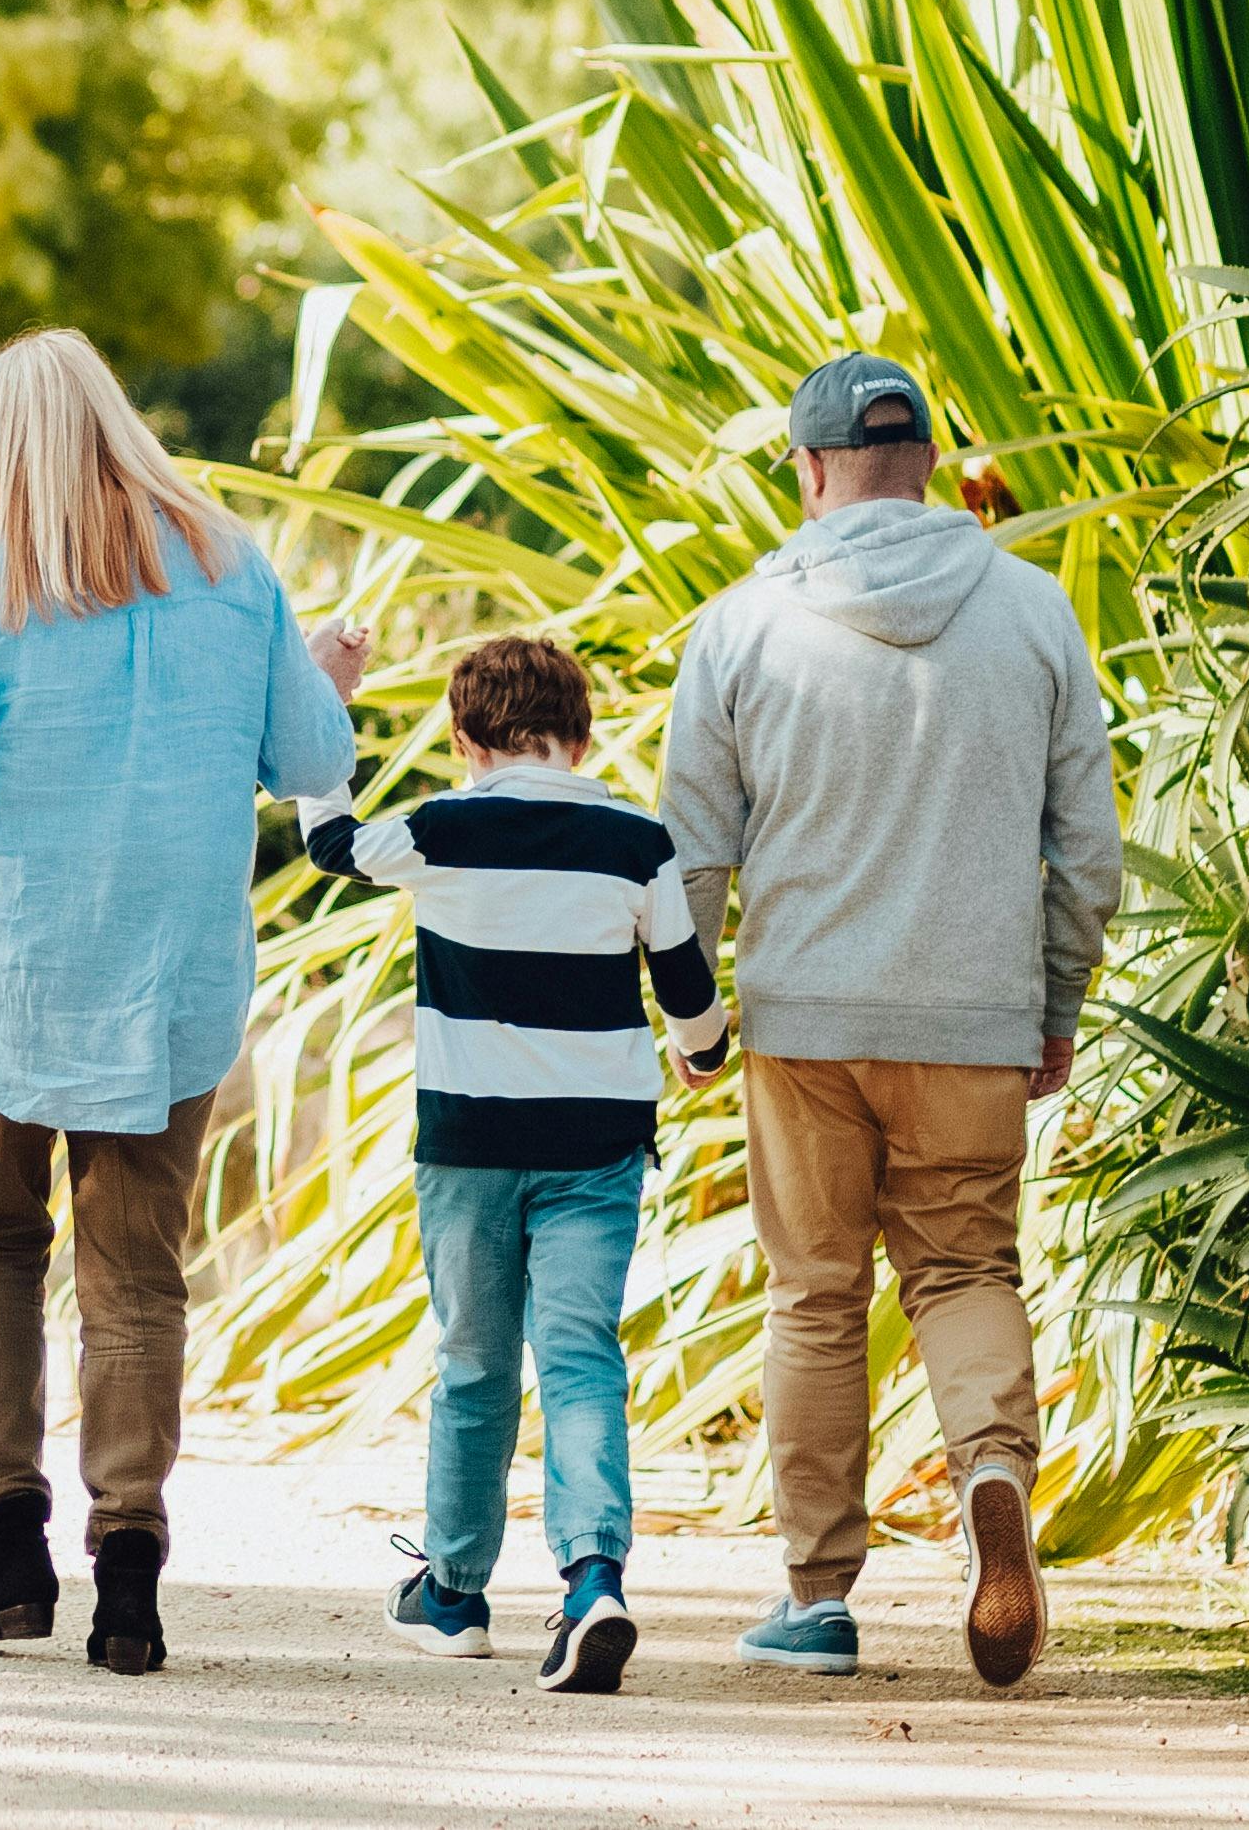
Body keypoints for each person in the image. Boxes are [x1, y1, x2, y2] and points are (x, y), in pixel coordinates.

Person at [0, 326, 360, 1676]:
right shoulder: (232, 563)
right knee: (136, 1271)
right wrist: (329, 676)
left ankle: (9, 1544)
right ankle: (128, 1564)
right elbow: (312, 753)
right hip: (171, 974)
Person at [661, 349, 1121, 1690]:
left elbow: (692, 851)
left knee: (814, 1293)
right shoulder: (1033, 609)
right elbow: (1085, 847)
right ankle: (990, 1465)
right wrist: (1054, 1001)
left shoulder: (741, 622)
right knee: (968, 1267)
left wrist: (693, 1017)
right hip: (974, 1015)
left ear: (808, 468)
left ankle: (815, 1594)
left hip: (804, 1018)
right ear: (928, 457)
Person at [298, 633, 728, 1695]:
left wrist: (322, 696)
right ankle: (591, 1579)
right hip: (594, 1144)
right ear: (580, 734)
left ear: (462, 738)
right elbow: (687, 989)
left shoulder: (439, 830)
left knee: (475, 1362)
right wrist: (702, 1050)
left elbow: (328, 838)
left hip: (472, 1142)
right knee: (580, 1354)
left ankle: (452, 1595)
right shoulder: (634, 836)